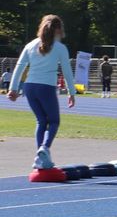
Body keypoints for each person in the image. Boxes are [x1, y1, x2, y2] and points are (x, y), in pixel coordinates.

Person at [7, 14, 78, 169]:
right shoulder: (60, 48)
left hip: (30, 87)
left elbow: (19, 66)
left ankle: (40, 158)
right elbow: (67, 71)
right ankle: (44, 149)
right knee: (54, 121)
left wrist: (13, 89)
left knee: (41, 121)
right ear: (58, 29)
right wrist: (72, 93)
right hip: (46, 87)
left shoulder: (30, 45)